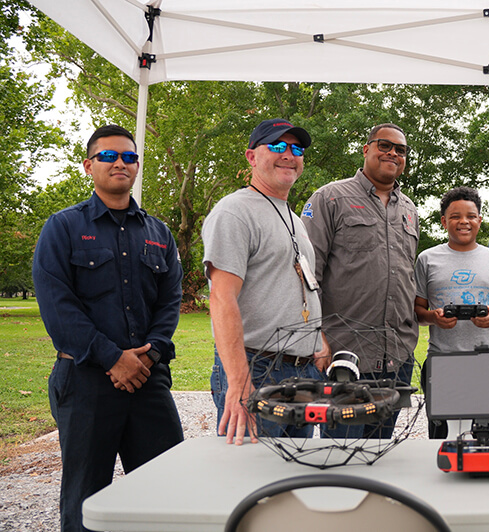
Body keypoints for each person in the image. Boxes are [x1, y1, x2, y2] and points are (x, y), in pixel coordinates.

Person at [32, 124, 184, 532]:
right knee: (86, 499)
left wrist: (147, 355)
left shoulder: (159, 234)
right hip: (86, 380)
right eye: (109, 156)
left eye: (130, 157)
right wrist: (113, 358)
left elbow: (170, 303)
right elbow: (58, 307)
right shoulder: (62, 228)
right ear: (89, 165)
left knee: (166, 490)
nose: (121, 163)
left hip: (147, 378)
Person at [202, 118, 328, 445]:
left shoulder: (294, 218)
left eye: (296, 148)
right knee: (252, 482)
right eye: (276, 146)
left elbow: (299, 284)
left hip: (303, 373)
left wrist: (318, 340)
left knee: (292, 481)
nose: (288, 154)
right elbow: (221, 299)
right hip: (258, 370)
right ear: (251, 157)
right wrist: (240, 382)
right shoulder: (234, 211)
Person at [301, 123, 420, 439]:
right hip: (345, 353)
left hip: (397, 356)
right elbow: (306, 274)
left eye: (401, 149)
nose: (393, 153)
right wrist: (317, 335)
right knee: (342, 453)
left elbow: (405, 275)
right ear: (366, 149)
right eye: (384, 145)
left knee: (382, 454)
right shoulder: (330, 198)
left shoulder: (409, 209)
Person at [415, 186, 489, 438]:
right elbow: (417, 310)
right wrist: (433, 317)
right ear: (444, 221)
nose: (464, 222)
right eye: (455, 216)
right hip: (442, 362)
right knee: (444, 437)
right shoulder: (427, 259)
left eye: (471, 216)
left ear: (480, 220)